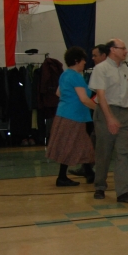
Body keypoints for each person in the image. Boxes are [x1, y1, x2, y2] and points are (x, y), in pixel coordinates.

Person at [88, 39, 128, 202]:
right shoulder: (101, 69)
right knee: (104, 152)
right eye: (123, 48)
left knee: (123, 152)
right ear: (113, 50)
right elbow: (101, 96)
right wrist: (110, 119)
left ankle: (123, 191)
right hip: (106, 112)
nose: (126, 51)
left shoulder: (125, 69)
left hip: (124, 114)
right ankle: (100, 186)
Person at [46, 47, 96, 186]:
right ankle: (63, 177)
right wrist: (101, 109)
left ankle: (89, 173)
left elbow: (58, 93)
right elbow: (84, 99)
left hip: (65, 114)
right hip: (74, 116)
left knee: (82, 145)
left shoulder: (65, 74)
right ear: (76, 60)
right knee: (71, 145)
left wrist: (69, 99)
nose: (85, 63)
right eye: (83, 60)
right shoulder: (76, 76)